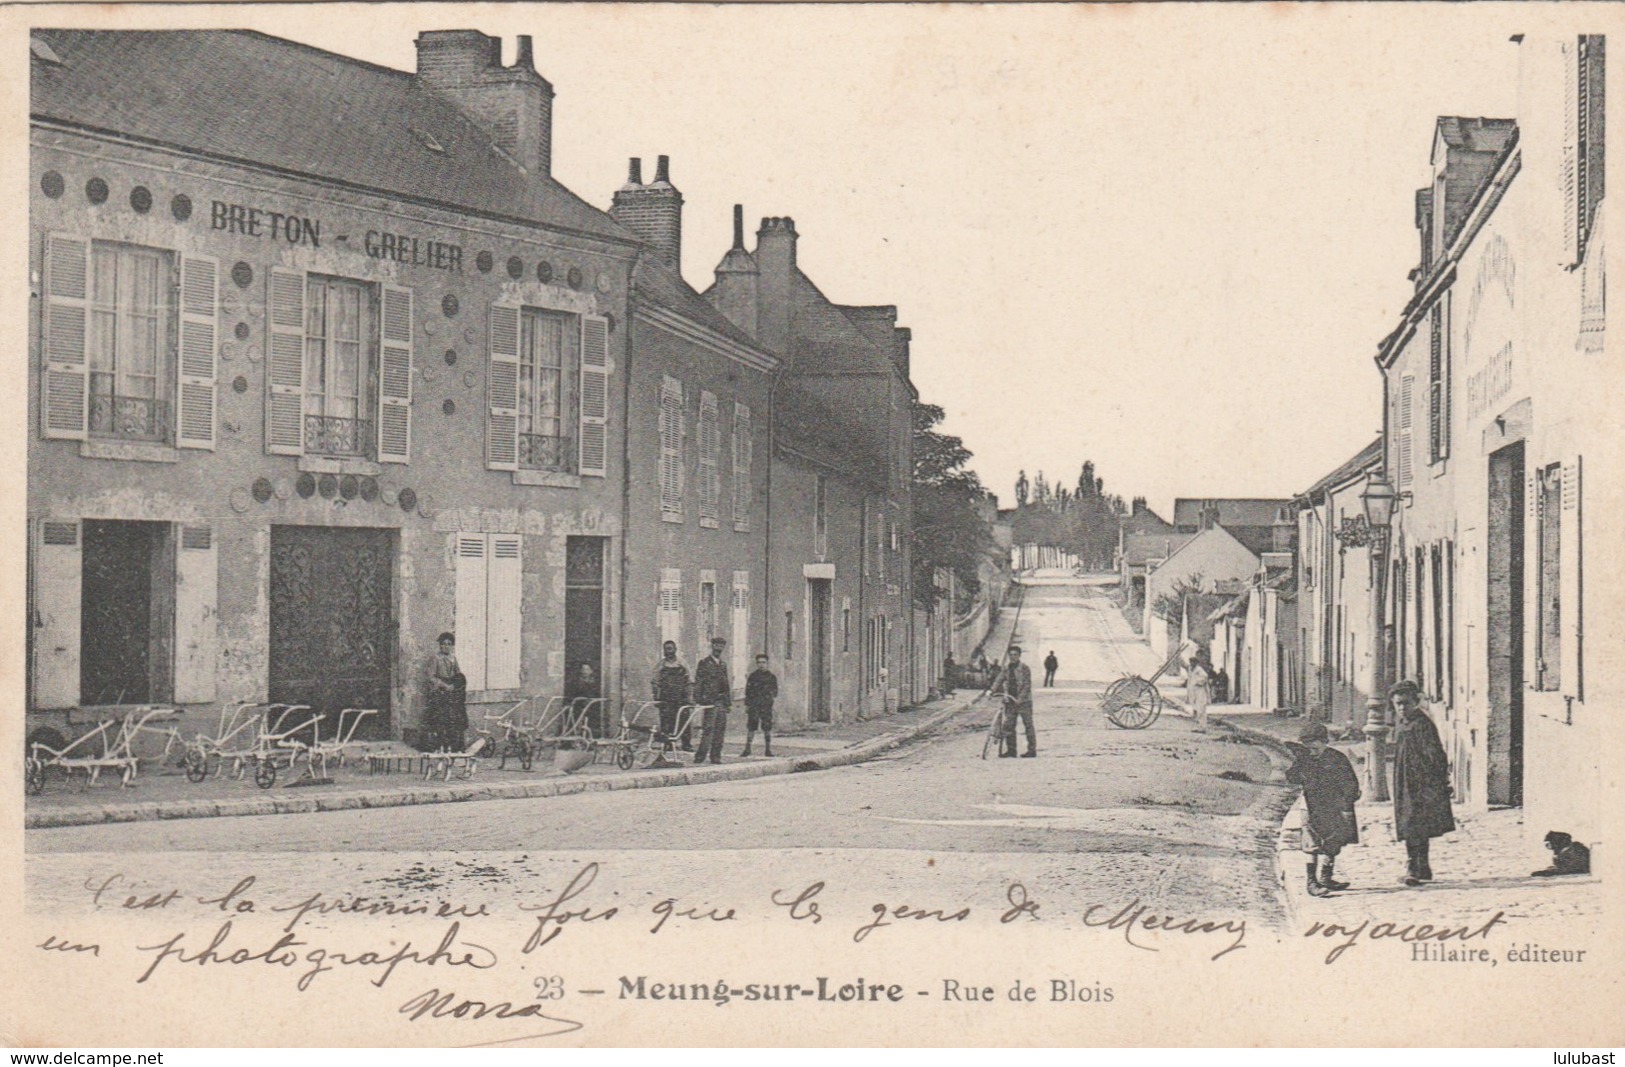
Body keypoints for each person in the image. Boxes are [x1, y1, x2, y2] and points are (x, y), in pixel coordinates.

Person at [1286, 722, 1362, 897]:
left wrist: (1348, 800)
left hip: (1333, 806)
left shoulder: (1337, 758)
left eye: (1314, 742)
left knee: (1334, 840)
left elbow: (1350, 782)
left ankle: (1326, 876)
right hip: (1310, 806)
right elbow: (1291, 777)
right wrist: (1300, 763)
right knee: (1312, 842)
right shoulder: (1304, 760)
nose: (1310, 746)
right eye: (1306, 743)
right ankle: (1311, 882)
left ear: (1324, 741)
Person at [1391, 679, 1455, 886]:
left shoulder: (1421, 724)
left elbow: (1435, 755)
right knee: (1414, 823)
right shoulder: (1403, 723)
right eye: (1398, 703)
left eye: (1406, 703)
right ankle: (1422, 867)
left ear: (1415, 702)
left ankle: (1414, 868)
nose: (1402, 707)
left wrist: (1439, 780)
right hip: (1405, 781)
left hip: (1421, 782)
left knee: (1414, 823)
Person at [425, 631, 467, 753]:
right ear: (440, 645)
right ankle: (440, 745)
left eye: (449, 644)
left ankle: (456, 747)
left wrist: (455, 685)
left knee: (456, 716)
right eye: (444, 644)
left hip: (452, 691)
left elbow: (458, 675)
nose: (446, 646)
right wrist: (444, 685)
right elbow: (431, 677)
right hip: (440, 691)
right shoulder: (435, 658)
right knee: (441, 718)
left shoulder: (453, 659)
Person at [692, 637, 732, 765]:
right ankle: (700, 757)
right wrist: (698, 699)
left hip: (721, 702)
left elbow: (726, 684)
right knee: (708, 729)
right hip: (710, 701)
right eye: (716, 645)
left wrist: (728, 703)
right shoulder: (704, 663)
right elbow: (699, 682)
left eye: (721, 646)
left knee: (720, 730)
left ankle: (716, 757)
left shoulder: (723, 664)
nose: (718, 648)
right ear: (712, 646)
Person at [992, 645, 1036, 758]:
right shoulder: (1006, 668)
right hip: (1010, 701)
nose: (1013, 657)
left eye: (1015, 655)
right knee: (1009, 726)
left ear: (1019, 656)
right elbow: (999, 679)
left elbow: (1027, 685)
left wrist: (1020, 699)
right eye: (1011, 655)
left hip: (1024, 702)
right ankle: (1011, 750)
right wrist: (992, 690)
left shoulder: (1024, 668)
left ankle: (1031, 750)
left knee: (1028, 726)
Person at [650, 641, 692, 751]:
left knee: (684, 720)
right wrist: (656, 696)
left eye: (670, 649)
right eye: (666, 649)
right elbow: (654, 681)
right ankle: (667, 744)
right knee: (666, 722)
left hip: (681, 697)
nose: (668, 652)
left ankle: (686, 744)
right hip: (666, 698)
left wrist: (689, 697)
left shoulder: (682, 663)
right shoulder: (661, 665)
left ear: (675, 649)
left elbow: (690, 681)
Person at [742, 653, 779, 758]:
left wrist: (768, 699)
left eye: (763, 662)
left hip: (766, 706)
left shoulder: (771, 677)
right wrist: (747, 705)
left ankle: (768, 749)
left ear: (767, 663)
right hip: (754, 705)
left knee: (767, 727)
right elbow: (748, 692)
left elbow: (775, 692)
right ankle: (747, 749)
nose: (761, 665)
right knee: (751, 727)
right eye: (759, 662)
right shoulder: (753, 677)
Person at [566, 662, 601, 737]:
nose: (584, 671)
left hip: (591, 706)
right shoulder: (576, 681)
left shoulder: (595, 682)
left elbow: (595, 693)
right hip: (578, 705)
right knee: (576, 720)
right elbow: (572, 692)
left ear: (591, 671)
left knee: (590, 721)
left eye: (587, 669)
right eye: (583, 669)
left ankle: (590, 736)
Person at [1186, 647, 1213, 732]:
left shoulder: (1199, 670)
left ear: (1196, 663)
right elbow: (1189, 680)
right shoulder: (1191, 670)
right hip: (1193, 691)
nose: (1192, 664)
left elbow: (1205, 677)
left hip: (1200, 691)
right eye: (1191, 662)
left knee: (1201, 709)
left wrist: (1198, 682)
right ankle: (1198, 727)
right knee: (1195, 709)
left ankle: (1203, 727)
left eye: (1193, 662)